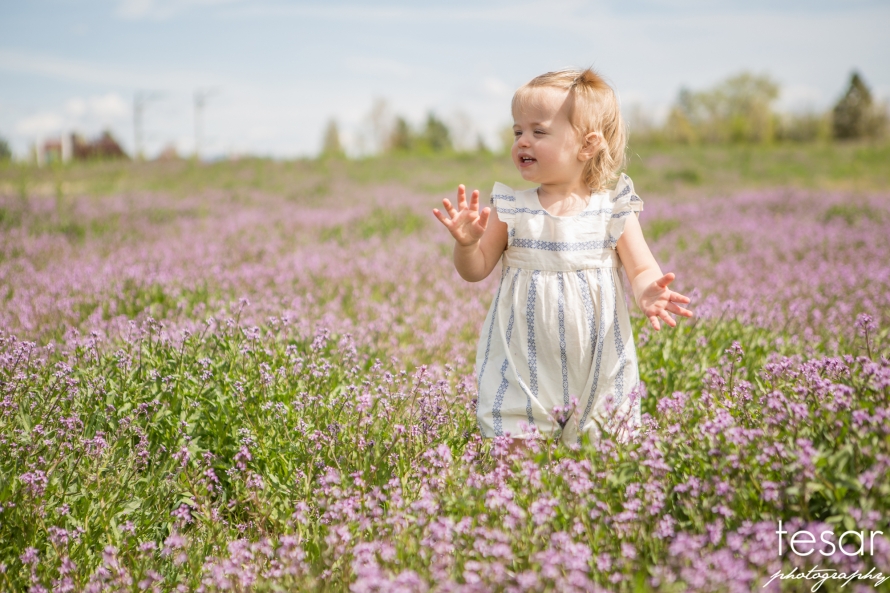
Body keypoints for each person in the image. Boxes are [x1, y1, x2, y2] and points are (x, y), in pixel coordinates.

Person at [432, 68, 693, 446]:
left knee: (603, 455)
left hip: (598, 368)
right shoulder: (511, 209)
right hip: (522, 366)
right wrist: (468, 245)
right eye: (517, 131)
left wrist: (649, 290)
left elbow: (641, 267)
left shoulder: (612, 209)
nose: (523, 141)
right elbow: (475, 270)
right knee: (516, 460)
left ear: (587, 145)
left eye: (538, 132)